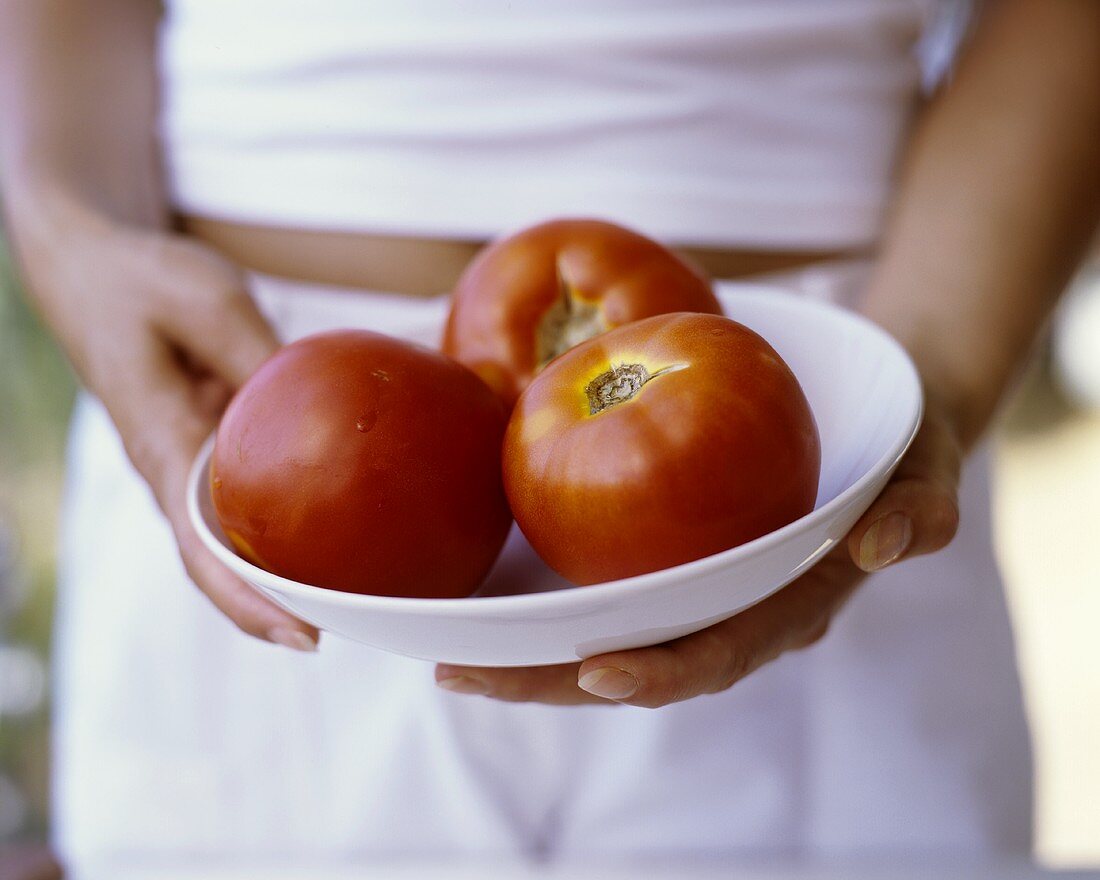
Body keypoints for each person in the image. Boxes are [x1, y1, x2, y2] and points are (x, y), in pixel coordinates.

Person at [1, 0, 1098, 872]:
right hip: (258, 416)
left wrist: (936, 365)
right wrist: (69, 230)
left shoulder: (822, 414)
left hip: (819, 436)